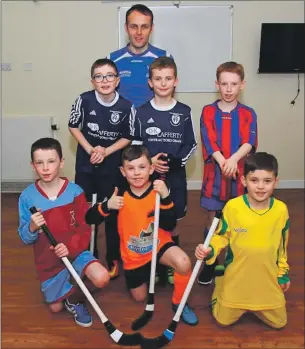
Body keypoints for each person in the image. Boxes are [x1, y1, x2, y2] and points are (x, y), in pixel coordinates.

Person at [85, 145, 198, 326]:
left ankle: (179, 303)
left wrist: (166, 197)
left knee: (184, 262)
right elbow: (89, 218)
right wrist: (107, 206)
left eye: (142, 167)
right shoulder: (119, 195)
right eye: (131, 168)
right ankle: (150, 274)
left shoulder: (158, 190)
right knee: (139, 298)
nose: (137, 173)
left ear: (151, 168)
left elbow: (170, 225)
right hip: (134, 256)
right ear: (123, 171)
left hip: (159, 245)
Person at [18, 138, 110, 328]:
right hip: (48, 262)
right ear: (32, 165)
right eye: (39, 163)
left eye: (51, 161)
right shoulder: (27, 197)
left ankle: (75, 299)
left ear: (61, 162)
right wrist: (32, 227)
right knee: (55, 308)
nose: (45, 168)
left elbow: (85, 229)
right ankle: (66, 294)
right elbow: (25, 238)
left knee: (102, 277)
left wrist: (69, 248)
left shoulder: (75, 192)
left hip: (76, 253)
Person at [195, 152, 290, 329]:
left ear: (276, 182)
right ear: (244, 181)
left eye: (267, 181)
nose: (260, 187)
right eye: (254, 180)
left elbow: (282, 246)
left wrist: (283, 273)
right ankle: (221, 283)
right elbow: (220, 236)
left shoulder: (281, 210)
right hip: (237, 280)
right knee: (222, 321)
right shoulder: (233, 207)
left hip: (266, 280)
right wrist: (211, 251)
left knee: (280, 323)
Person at [68, 58, 136, 279]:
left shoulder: (127, 106)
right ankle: (87, 255)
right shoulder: (83, 100)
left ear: (117, 81)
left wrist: (105, 152)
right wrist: (91, 150)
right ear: (92, 81)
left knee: (111, 212)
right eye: (99, 76)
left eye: (109, 76)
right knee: (85, 211)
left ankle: (112, 257)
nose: (104, 80)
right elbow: (73, 126)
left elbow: (128, 136)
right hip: (87, 164)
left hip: (111, 166)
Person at [134, 56, 197, 285]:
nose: (163, 83)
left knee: (174, 219)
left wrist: (175, 162)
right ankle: (153, 261)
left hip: (175, 177)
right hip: (147, 179)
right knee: (150, 219)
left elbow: (190, 144)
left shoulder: (184, 111)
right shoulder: (140, 112)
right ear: (150, 82)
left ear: (176, 81)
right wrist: (150, 163)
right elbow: (134, 145)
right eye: (158, 79)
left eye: (168, 78)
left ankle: (171, 263)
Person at [198, 61, 258, 285]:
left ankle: (234, 263)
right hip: (215, 175)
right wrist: (223, 161)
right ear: (217, 85)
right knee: (213, 221)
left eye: (234, 83)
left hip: (239, 176)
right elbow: (209, 140)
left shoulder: (248, 113)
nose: (229, 89)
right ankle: (210, 263)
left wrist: (233, 160)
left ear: (242, 85)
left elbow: (249, 142)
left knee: (237, 221)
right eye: (224, 83)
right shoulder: (208, 111)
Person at [109, 4, 172, 107]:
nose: (139, 32)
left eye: (144, 27)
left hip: (154, 122)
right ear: (126, 28)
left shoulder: (165, 58)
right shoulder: (112, 60)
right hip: (122, 122)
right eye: (134, 26)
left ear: (151, 28)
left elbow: (168, 100)